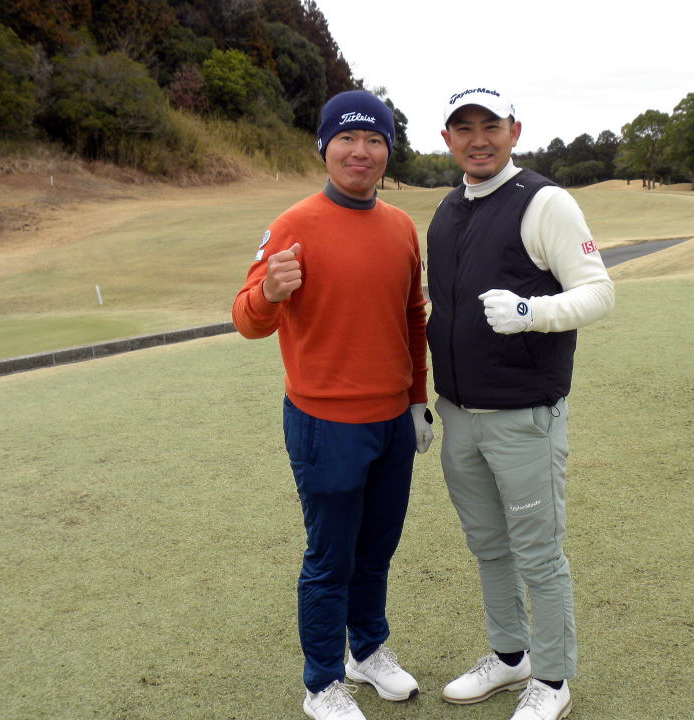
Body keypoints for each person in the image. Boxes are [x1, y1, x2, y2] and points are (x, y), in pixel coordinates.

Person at [232, 90, 433, 720]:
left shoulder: (401, 227)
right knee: (330, 557)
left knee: (377, 548)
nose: (361, 151)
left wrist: (417, 401)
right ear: (324, 147)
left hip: (392, 422)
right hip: (324, 423)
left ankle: (367, 651)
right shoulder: (293, 225)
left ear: (387, 151)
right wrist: (269, 292)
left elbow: (412, 318)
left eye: (375, 139)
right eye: (347, 138)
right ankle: (322, 683)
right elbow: (246, 320)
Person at [425, 87, 615, 720]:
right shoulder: (448, 209)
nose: (479, 139)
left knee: (538, 554)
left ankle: (553, 681)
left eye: (491, 125)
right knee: (488, 546)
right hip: (459, 414)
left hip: (524, 416)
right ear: (447, 139)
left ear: (515, 131)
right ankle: (511, 658)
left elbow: (598, 293)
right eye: (464, 128)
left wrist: (530, 311)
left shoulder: (545, 202)